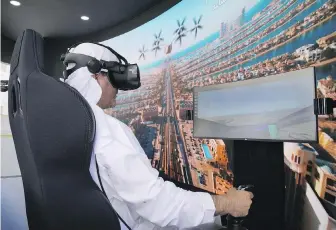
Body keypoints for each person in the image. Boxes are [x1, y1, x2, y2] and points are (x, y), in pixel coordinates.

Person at [64, 43, 253, 230]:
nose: (117, 89)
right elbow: (157, 202)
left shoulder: (65, 120)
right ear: (97, 76)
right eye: (114, 78)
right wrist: (226, 203)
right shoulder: (106, 130)